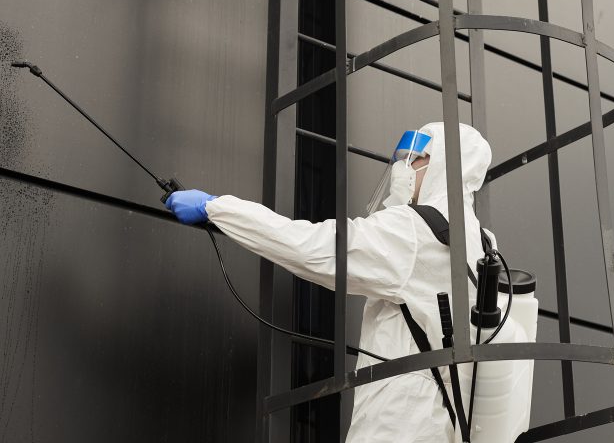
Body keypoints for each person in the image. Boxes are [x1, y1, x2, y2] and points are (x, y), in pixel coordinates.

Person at [165, 122, 493, 443]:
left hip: (400, 419)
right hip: (442, 421)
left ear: (442, 166)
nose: (401, 169)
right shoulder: (482, 243)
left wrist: (217, 207)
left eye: (414, 160)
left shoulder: (415, 231)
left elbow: (314, 248)